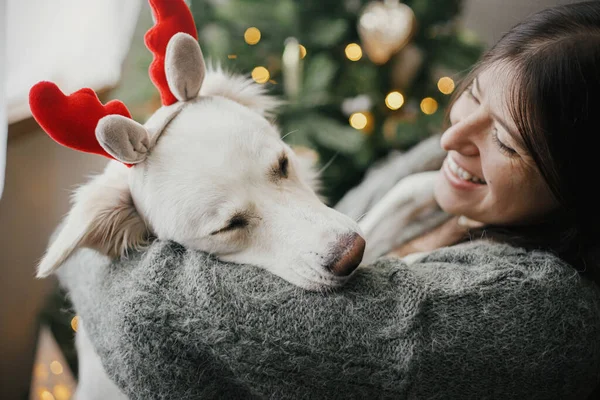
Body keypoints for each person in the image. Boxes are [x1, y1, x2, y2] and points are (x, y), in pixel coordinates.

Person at [58, 2, 600, 399]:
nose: (451, 139)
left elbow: (147, 316)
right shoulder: (444, 179)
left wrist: (108, 240)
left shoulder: (538, 312)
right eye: (473, 93)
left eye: (505, 140)